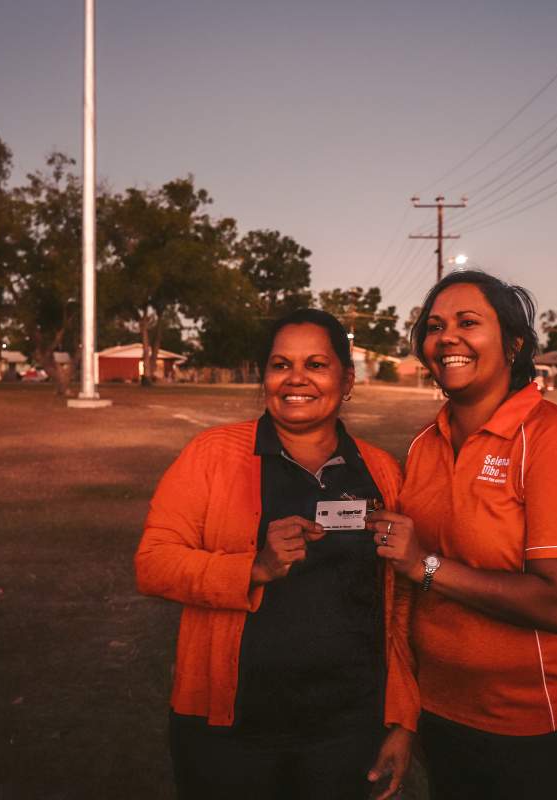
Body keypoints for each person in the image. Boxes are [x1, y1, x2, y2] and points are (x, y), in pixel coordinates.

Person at [135, 309, 417, 800]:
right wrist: (255, 567)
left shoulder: (380, 471)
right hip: (232, 735)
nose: (296, 379)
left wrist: (402, 720)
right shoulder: (212, 455)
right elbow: (154, 563)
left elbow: (400, 608)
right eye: (280, 364)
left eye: (316, 364)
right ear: (264, 375)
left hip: (347, 730)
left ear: (346, 379)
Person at [367, 270, 557, 800]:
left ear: (514, 343)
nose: (447, 338)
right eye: (434, 326)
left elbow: (556, 605)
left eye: (468, 322)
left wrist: (426, 565)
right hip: (444, 714)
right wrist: (404, 714)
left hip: (540, 727)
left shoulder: (556, 440)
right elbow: (407, 596)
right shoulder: (424, 446)